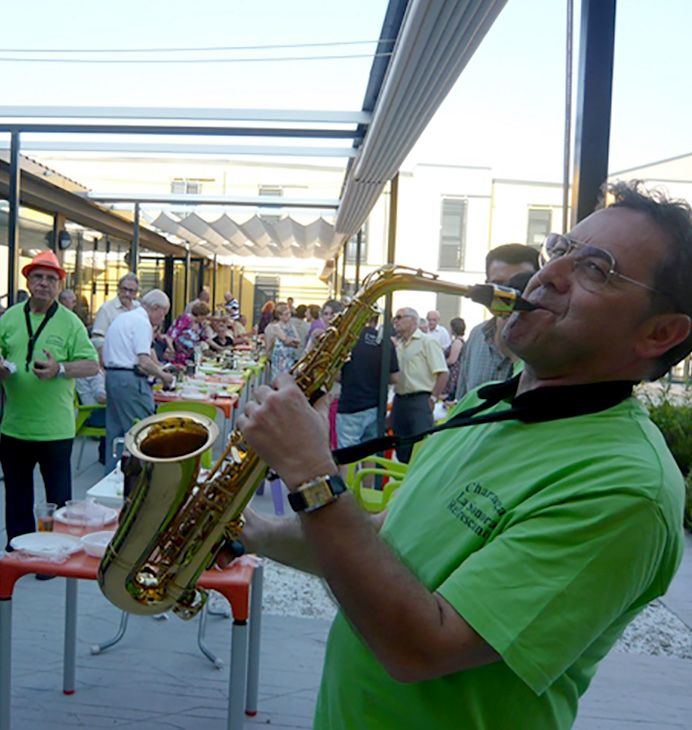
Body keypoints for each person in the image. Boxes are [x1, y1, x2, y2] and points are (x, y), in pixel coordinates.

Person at [223, 181, 692, 729]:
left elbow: (422, 648)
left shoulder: (625, 488)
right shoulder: (482, 406)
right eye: (560, 249)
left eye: (595, 269)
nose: (545, 275)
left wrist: (310, 471)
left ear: (661, 333)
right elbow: (380, 543)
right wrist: (244, 529)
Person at [0, 250, 99, 548]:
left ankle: (53, 553)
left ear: (59, 285)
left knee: (57, 499)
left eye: (50, 278)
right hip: (14, 426)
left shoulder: (71, 323)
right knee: (17, 496)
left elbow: (92, 365)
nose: (43, 283)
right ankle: (19, 550)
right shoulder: (10, 316)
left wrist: (60, 369)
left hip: (55, 429)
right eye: (38, 277)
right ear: (28, 281)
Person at [455, 243, 539, 399]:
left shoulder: (552, 342)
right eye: (499, 285)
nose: (507, 294)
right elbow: (462, 399)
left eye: (520, 284)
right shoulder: (476, 337)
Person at [103, 289, 174, 472]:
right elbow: (143, 361)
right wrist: (165, 376)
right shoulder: (142, 323)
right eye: (163, 314)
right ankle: (139, 481)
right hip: (130, 380)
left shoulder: (124, 318)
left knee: (115, 435)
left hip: (113, 376)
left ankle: (112, 477)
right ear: (156, 308)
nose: (162, 319)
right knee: (141, 432)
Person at [391, 307, 448, 463]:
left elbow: (443, 372)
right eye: (395, 317)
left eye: (400, 317)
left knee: (421, 449)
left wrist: (433, 398)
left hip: (419, 400)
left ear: (413, 320)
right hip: (400, 400)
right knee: (401, 448)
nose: (396, 320)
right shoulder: (398, 345)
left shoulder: (427, 342)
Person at [336, 313, 399, 452]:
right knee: (370, 452)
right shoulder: (385, 341)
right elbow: (395, 378)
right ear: (376, 321)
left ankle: (347, 475)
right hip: (375, 405)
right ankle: (367, 475)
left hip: (350, 404)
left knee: (347, 453)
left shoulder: (346, 340)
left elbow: (336, 375)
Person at [91, 273, 140, 357]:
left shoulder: (138, 308)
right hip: (114, 359)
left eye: (131, 291)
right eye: (124, 289)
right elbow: (97, 339)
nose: (127, 294)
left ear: (136, 293)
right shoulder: (106, 309)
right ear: (118, 289)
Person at [167, 301, 215, 366]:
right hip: (180, 356)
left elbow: (205, 339)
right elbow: (171, 335)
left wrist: (220, 348)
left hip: (192, 357)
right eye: (204, 317)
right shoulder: (184, 320)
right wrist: (171, 349)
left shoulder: (200, 324)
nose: (205, 319)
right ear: (200, 315)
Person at [267, 303, 301, 377]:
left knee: (289, 378)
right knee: (279, 378)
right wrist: (292, 341)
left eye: (289, 313)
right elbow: (285, 340)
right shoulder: (276, 327)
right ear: (280, 316)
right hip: (280, 359)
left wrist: (291, 341)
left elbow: (298, 341)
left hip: (289, 358)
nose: (289, 316)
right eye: (286, 314)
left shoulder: (292, 326)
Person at [442, 317, 466, 400]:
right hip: (454, 372)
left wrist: (440, 363)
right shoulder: (458, 341)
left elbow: (452, 360)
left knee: (448, 396)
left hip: (453, 373)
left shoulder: (457, 342)